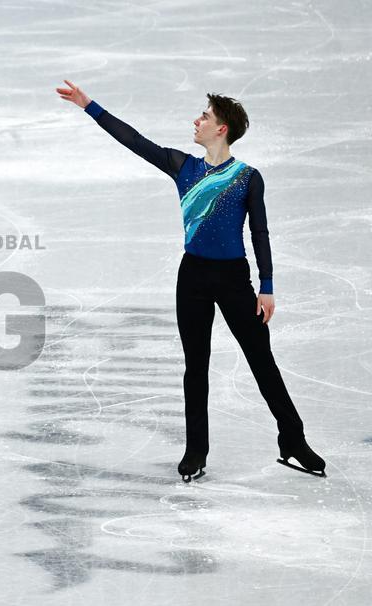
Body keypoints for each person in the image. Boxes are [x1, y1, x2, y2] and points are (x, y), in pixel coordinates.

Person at [55, 79, 326, 481]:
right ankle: (196, 451)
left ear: (222, 129)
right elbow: (133, 140)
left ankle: (293, 439)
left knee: (262, 361)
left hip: (235, 281)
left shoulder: (248, 178)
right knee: (195, 367)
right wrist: (87, 104)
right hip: (193, 277)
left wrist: (266, 286)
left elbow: (260, 234)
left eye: (205, 117)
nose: (196, 121)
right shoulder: (183, 167)